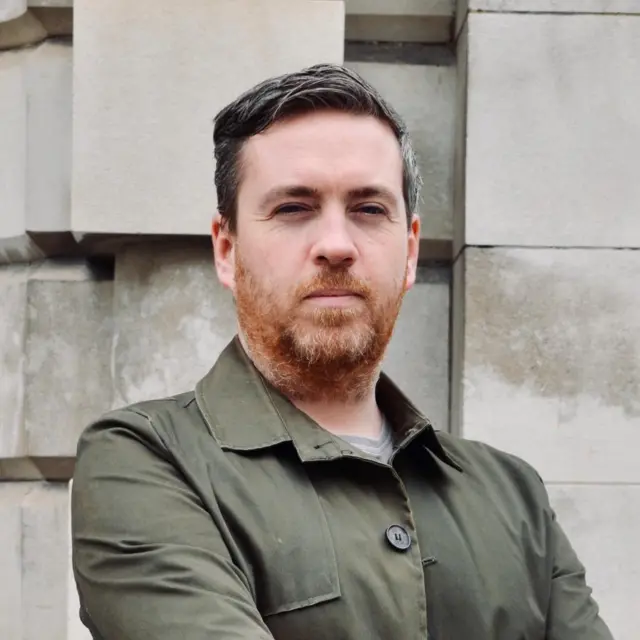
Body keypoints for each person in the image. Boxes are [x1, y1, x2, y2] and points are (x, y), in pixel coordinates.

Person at [71, 63, 614, 640]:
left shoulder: (513, 494)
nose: (336, 244)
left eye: (369, 209)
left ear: (409, 252)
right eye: (293, 209)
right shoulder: (147, 461)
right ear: (227, 250)